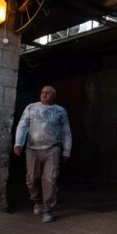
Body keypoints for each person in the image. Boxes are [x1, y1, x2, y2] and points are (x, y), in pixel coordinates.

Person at [13, 86, 72, 223]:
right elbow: (23, 125)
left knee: (50, 178)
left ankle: (48, 209)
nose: (44, 95)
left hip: (53, 148)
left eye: (48, 93)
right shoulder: (31, 107)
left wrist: (67, 150)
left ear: (54, 95)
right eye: (42, 92)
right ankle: (37, 201)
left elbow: (66, 131)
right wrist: (18, 143)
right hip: (32, 149)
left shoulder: (60, 111)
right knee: (32, 178)